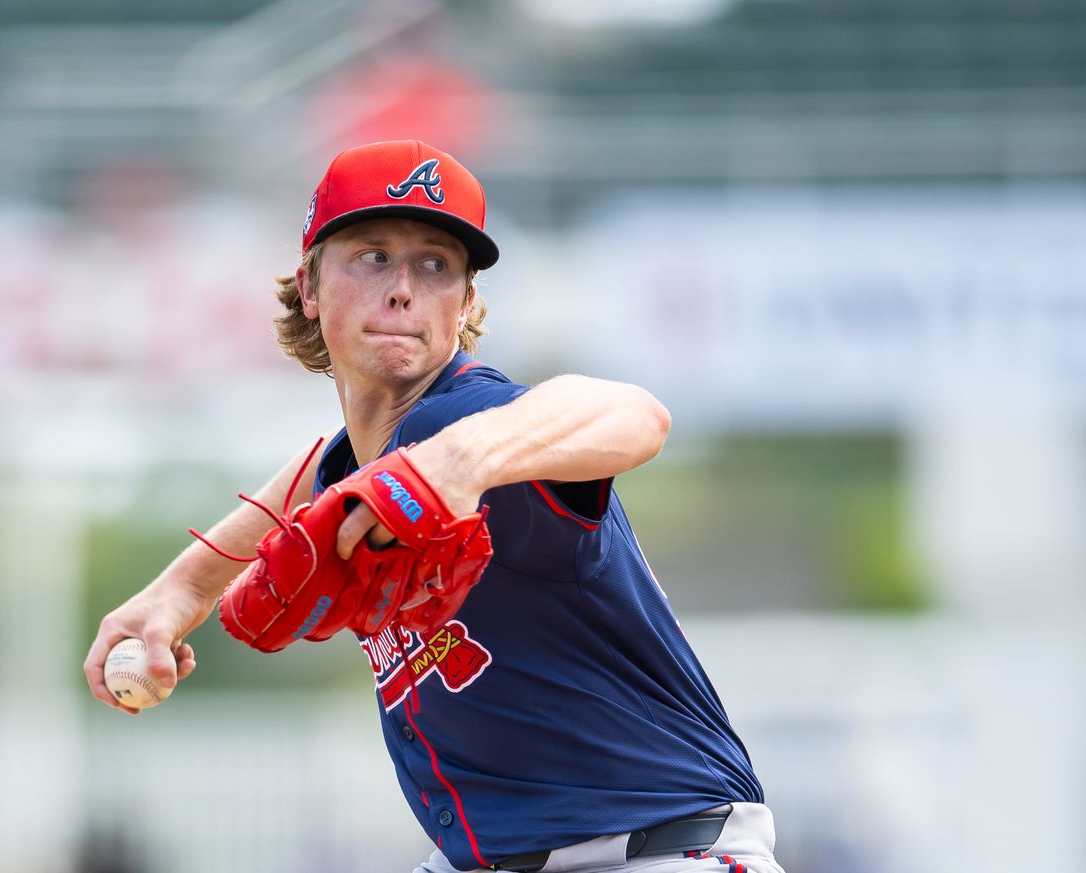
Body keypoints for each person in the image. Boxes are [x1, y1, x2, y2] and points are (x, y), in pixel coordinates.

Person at [84, 140, 785, 873]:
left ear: (467, 304)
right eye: (373, 255)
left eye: (435, 265)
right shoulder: (365, 462)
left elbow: (638, 415)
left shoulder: (471, 420)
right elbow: (323, 472)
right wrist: (180, 589)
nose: (403, 288)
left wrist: (458, 463)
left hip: (657, 848)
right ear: (310, 285)